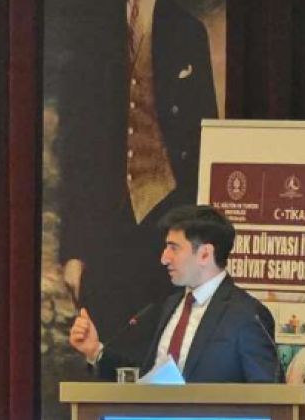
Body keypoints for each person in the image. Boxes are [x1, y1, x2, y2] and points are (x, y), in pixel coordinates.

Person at [55, 0, 220, 348]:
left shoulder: (187, 30)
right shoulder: (89, 29)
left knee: (167, 350)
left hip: (170, 211)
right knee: (106, 350)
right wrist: (74, 249)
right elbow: (74, 149)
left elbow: (206, 142)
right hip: (106, 224)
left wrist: (202, 242)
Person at [69, 205, 280, 383]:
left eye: (174, 248)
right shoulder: (170, 305)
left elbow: (268, 398)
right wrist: (95, 350)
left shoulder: (247, 315)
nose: (164, 258)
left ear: (205, 254)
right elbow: (149, 379)